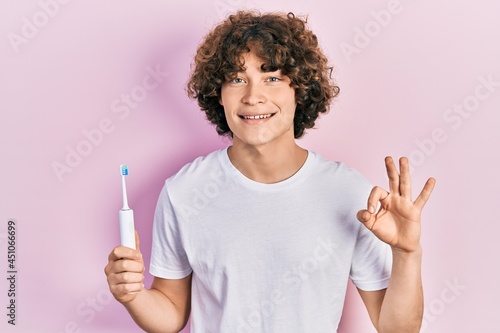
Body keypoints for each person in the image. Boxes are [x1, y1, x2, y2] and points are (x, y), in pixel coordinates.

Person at [104, 10, 435, 333]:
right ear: (218, 94)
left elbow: (398, 329)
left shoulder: (349, 193)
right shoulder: (184, 192)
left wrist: (407, 253)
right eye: (236, 79)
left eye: (272, 77)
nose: (252, 96)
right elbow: (172, 315)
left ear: (299, 90)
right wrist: (132, 295)